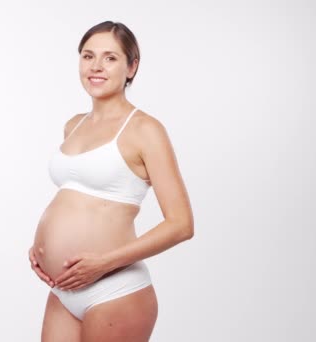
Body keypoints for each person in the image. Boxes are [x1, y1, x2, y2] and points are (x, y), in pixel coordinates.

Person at [28, 21, 194, 341]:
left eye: (110, 58)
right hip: (64, 290)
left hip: (114, 290)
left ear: (132, 67)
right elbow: (75, 201)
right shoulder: (73, 125)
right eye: (88, 56)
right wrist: (41, 249)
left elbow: (181, 224)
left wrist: (102, 264)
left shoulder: (145, 129)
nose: (96, 67)